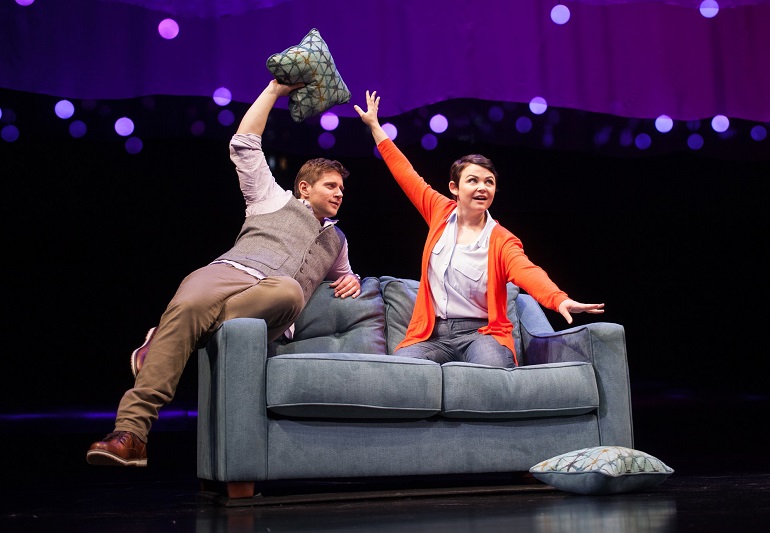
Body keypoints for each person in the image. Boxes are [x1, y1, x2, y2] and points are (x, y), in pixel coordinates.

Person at [86, 79, 362, 467]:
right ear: (304, 187)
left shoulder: (339, 241)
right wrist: (274, 91)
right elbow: (245, 142)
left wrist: (352, 279)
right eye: (331, 186)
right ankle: (131, 434)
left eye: (342, 189)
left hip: (270, 300)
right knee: (192, 302)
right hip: (229, 273)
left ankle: (169, 338)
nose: (339, 193)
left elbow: (345, 276)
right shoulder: (272, 199)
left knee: (289, 293)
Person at [355, 91, 604, 368]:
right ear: (454, 189)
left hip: (481, 334)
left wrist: (559, 300)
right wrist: (376, 128)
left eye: (489, 182)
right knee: (401, 371)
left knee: (492, 374)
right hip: (432, 334)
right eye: (473, 180)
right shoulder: (439, 211)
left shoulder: (501, 239)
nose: (482, 187)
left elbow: (527, 271)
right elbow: (406, 173)